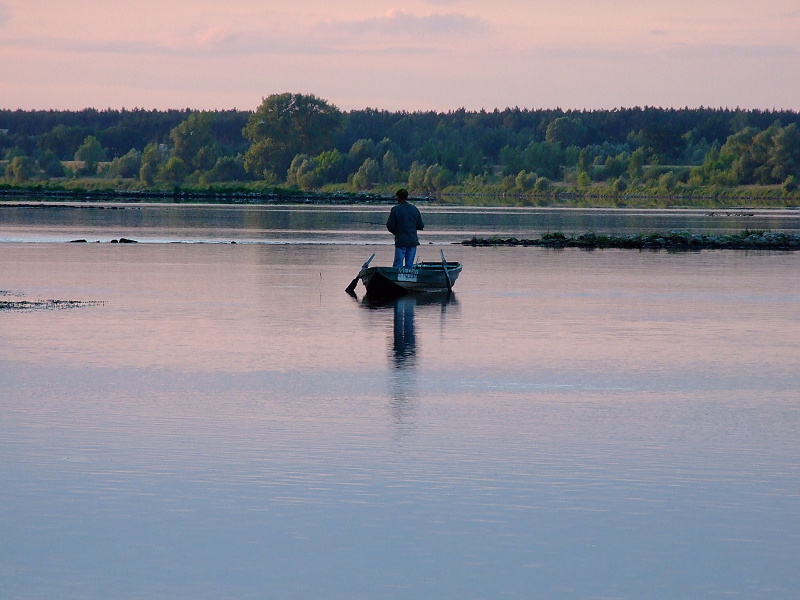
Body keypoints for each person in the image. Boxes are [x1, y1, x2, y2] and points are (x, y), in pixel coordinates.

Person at [386, 188, 424, 268]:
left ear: (398, 197)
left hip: (401, 240)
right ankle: (408, 279)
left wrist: (395, 232)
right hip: (412, 240)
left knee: (398, 265)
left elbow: (389, 225)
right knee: (409, 266)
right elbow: (421, 225)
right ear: (406, 197)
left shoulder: (395, 209)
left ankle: (396, 279)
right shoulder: (414, 209)